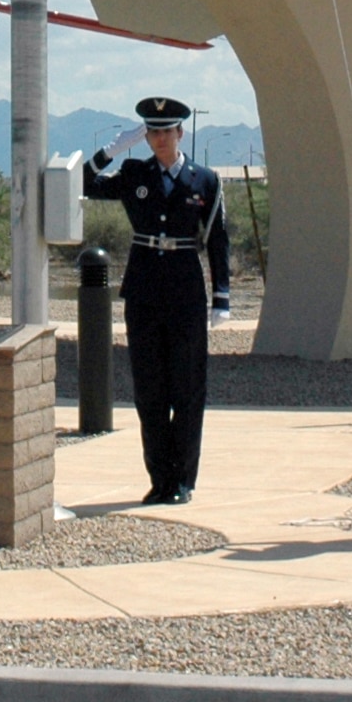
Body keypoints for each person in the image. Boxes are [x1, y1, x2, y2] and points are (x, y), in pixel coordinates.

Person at [84, 95, 230, 504]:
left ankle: (183, 480)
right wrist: (112, 151)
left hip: (184, 287)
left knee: (186, 388)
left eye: (165, 131)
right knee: (149, 389)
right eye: (151, 131)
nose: (158, 138)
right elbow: (83, 183)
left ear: (180, 133)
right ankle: (159, 478)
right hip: (145, 288)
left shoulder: (204, 180)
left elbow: (218, 239)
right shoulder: (134, 173)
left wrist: (222, 296)